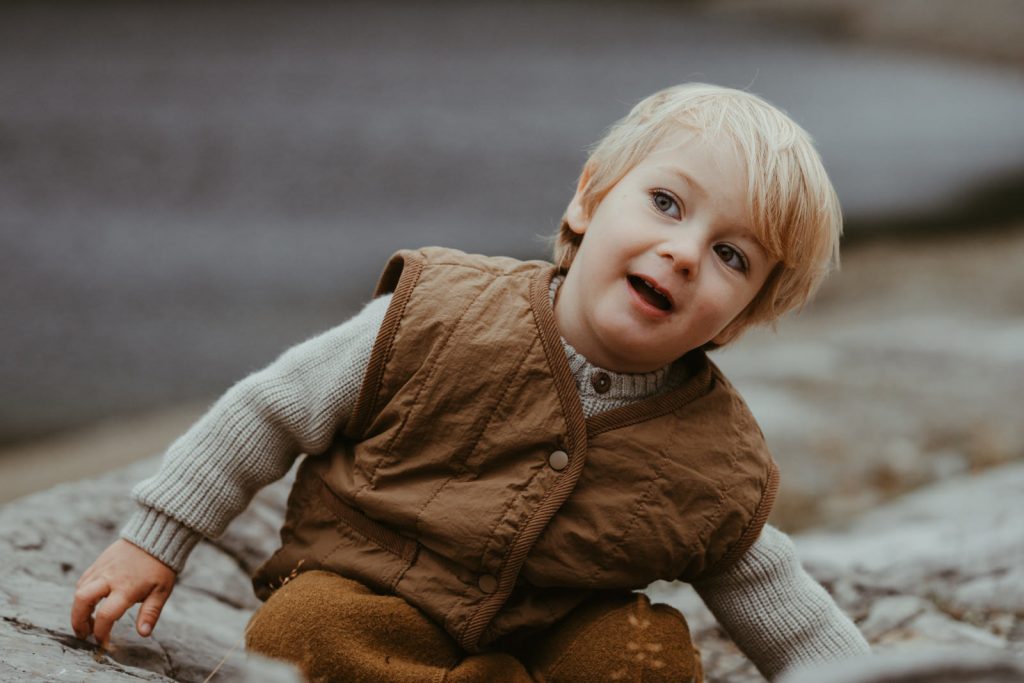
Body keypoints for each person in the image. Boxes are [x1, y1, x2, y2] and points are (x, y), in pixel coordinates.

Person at [71, 83, 871, 681]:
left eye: (733, 256)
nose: (686, 251)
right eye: (666, 203)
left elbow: (778, 599)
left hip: (553, 635)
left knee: (645, 656)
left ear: (739, 320)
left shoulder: (712, 457)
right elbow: (270, 410)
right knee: (304, 629)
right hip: (377, 597)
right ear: (589, 197)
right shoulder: (440, 311)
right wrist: (157, 538)